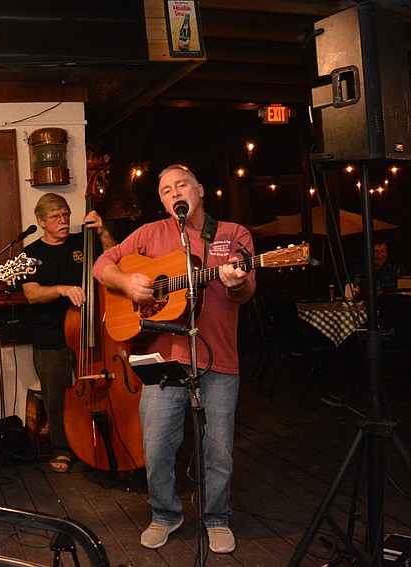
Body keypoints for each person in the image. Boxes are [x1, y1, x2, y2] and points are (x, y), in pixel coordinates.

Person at [93, 164, 255, 554]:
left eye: (181, 185)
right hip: (162, 359)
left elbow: (245, 291)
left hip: (218, 357)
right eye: (166, 190)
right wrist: (127, 281)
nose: (174, 193)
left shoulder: (232, 234)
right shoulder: (150, 233)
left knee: (218, 448)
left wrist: (235, 283)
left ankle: (216, 517)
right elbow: (102, 266)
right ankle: (165, 513)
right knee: (157, 444)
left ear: (199, 189)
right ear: (163, 201)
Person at [21, 193, 115, 473]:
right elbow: (32, 294)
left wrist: (102, 231)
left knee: (99, 390)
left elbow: (116, 258)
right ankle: (63, 449)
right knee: (57, 395)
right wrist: (62, 289)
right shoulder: (32, 254)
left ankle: (100, 442)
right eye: (55, 217)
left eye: (65, 215)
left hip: (93, 330)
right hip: (51, 336)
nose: (63, 221)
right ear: (41, 222)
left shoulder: (83, 242)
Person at [345, 234, 406, 300]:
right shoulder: (357, 268)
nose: (380, 255)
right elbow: (347, 288)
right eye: (376, 252)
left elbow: (404, 291)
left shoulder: (396, 269)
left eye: (383, 251)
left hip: (389, 306)